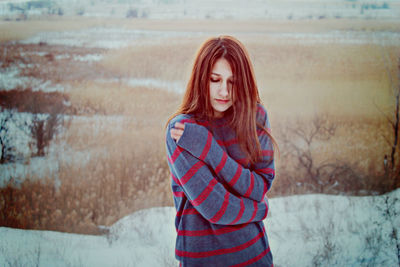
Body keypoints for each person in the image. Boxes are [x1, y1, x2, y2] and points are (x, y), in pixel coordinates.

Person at [165, 35, 277, 266]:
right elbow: (216, 208)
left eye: (232, 82)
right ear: (200, 79)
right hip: (203, 260)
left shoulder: (255, 117)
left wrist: (210, 151)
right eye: (215, 80)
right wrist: (259, 210)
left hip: (255, 256)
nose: (224, 91)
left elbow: (261, 185)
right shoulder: (183, 131)